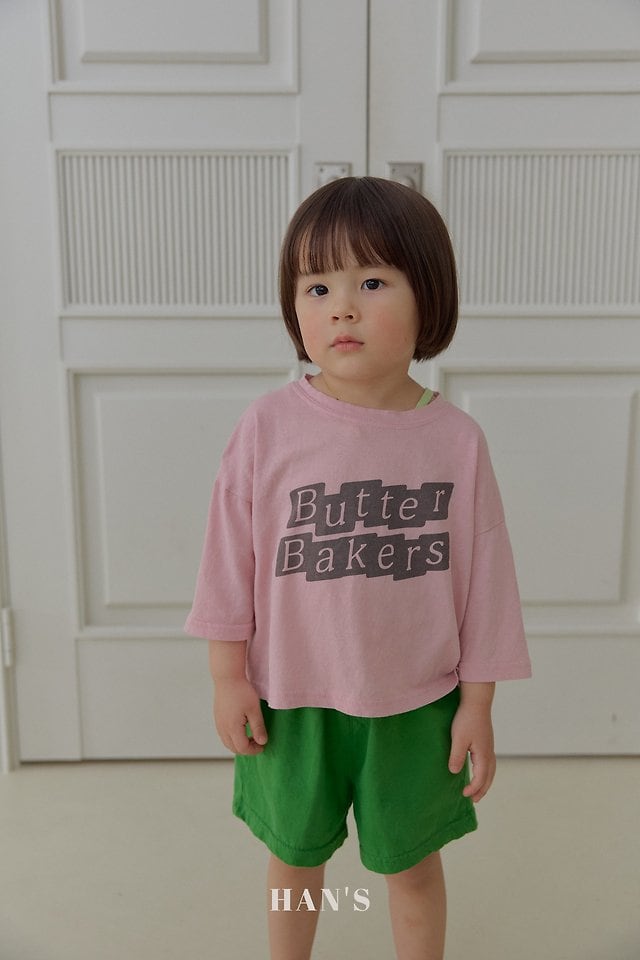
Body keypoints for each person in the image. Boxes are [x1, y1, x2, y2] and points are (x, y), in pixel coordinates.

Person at [185, 176, 532, 960]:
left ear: (427, 298)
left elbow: (487, 584)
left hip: (416, 705)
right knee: (295, 859)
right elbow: (226, 561)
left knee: (412, 867)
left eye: (371, 282)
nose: (341, 307)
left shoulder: (456, 441)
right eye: (318, 287)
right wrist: (227, 676)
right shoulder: (268, 427)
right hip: (290, 699)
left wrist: (478, 705)